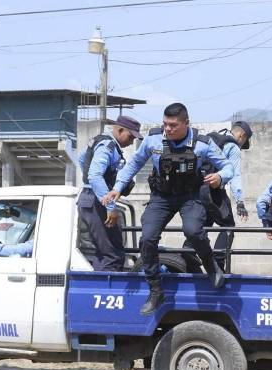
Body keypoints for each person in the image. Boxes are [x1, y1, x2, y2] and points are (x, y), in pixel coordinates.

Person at [101, 103, 234, 315]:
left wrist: (220, 177)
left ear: (186, 124)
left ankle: (211, 266)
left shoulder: (202, 143)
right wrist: (117, 188)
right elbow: (134, 164)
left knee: (193, 231)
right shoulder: (154, 140)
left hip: (190, 197)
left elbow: (228, 166)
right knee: (147, 238)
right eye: (165, 124)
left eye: (173, 125)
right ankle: (155, 290)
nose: (168, 129)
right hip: (161, 196)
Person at [77, 115, 142, 272]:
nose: (132, 141)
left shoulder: (99, 140)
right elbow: (94, 175)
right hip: (97, 201)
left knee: (104, 250)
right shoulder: (108, 145)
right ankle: (107, 292)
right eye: (131, 136)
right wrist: (110, 207)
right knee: (112, 253)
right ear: (120, 130)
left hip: (91, 197)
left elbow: (82, 160)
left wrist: (88, 184)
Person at [193, 121, 252, 271]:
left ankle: (189, 253)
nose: (242, 145)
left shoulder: (210, 139)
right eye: (244, 141)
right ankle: (219, 262)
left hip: (196, 189)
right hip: (213, 189)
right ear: (242, 135)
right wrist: (240, 202)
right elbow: (235, 175)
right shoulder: (233, 147)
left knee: (203, 224)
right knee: (228, 226)